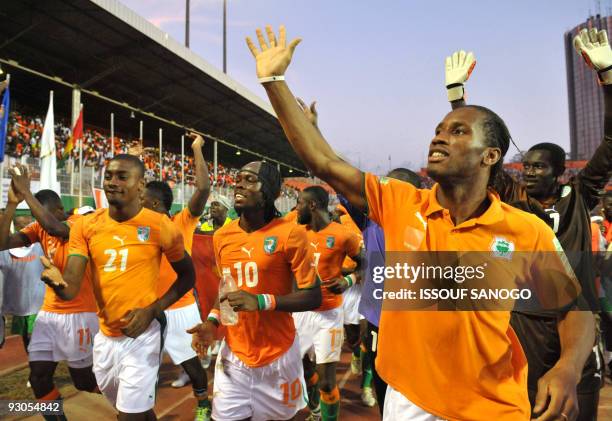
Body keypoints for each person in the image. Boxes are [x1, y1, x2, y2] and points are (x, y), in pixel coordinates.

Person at [246, 25, 584, 420]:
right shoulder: (400, 201)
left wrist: (567, 369)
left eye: (457, 132)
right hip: (411, 401)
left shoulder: (525, 230)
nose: (439, 138)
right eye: (438, 130)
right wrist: (274, 82)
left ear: (490, 156)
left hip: (492, 406)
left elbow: (573, 308)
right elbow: (324, 162)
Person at [448, 30, 609, 419]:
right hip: (525, 322)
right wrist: (457, 96)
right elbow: (476, 154)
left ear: (559, 173)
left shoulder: (579, 197)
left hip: (576, 318)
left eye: (539, 168)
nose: (530, 173)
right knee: (529, 406)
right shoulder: (512, 198)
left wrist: (608, 77)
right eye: (526, 166)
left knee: (578, 403)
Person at [39, 154, 196, 421]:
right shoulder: (86, 226)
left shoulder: (160, 226)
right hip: (105, 339)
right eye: (109, 176)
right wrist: (58, 282)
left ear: (140, 186)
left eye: (122, 176)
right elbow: (71, 289)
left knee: (128, 415)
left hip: (143, 336)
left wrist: (152, 309)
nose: (112, 182)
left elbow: (187, 277)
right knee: (138, 411)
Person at [188, 160, 322, 421]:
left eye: (250, 180)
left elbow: (313, 295)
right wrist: (213, 322)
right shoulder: (222, 237)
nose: (239, 184)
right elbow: (226, 290)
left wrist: (261, 301)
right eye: (238, 178)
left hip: (279, 356)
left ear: (271, 191)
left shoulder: (291, 234)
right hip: (235, 355)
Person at [0, 164, 99, 421]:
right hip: (49, 314)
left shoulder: (79, 223)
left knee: (83, 381)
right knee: (39, 377)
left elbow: (55, 228)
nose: (38, 222)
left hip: (80, 313)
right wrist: (12, 204)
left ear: (58, 210)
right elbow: (2, 244)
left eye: (40, 214)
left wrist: (26, 191)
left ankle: (130, 406)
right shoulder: (39, 228)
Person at [142, 132, 212, 420]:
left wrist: (196, 149)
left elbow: (204, 189)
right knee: (144, 368)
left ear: (158, 205)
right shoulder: (136, 228)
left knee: (193, 368)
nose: (139, 203)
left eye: (144, 199)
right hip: (150, 310)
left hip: (181, 309)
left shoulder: (180, 222)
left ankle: (203, 405)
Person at [293, 185, 362, 421]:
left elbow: (366, 264)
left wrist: (348, 280)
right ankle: (315, 412)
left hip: (329, 314)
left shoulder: (343, 235)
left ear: (312, 205)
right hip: (299, 312)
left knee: (326, 382)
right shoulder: (294, 231)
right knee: (303, 371)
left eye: (300, 203)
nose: (296, 208)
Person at [0, 213, 45, 355]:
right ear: (16, 227)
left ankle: (36, 372)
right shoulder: (5, 250)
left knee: (35, 339)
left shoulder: (40, 245)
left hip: (39, 305)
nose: (25, 229)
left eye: (28, 225)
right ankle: (34, 369)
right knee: (25, 338)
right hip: (18, 306)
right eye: (21, 226)